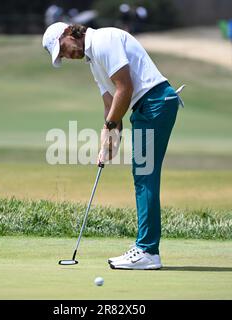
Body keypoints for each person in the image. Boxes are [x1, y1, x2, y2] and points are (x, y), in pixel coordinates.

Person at [42, 23, 184, 270]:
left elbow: (125, 88)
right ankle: (146, 248)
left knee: (144, 175)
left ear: (68, 34)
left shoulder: (104, 40)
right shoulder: (93, 61)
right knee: (143, 175)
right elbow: (110, 104)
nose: (66, 56)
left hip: (155, 102)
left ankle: (148, 251)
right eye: (61, 56)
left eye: (62, 50)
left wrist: (110, 127)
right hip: (147, 107)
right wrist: (107, 140)